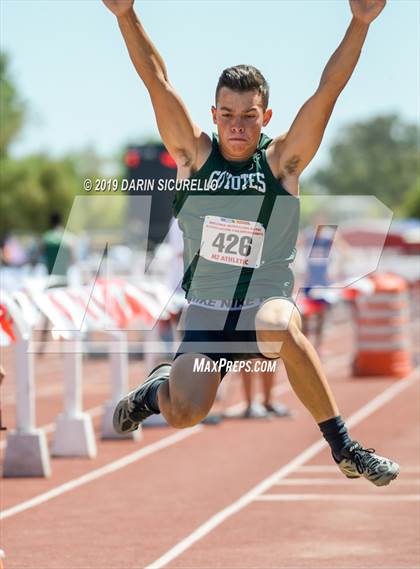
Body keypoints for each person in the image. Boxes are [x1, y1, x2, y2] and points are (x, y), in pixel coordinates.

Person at [105, 0, 399, 486]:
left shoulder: (282, 162)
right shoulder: (193, 157)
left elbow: (329, 91)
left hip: (264, 304)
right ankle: (157, 392)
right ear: (214, 115)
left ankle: (344, 446)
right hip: (206, 313)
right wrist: (125, 16)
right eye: (227, 115)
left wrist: (359, 23)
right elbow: (157, 82)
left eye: (248, 115)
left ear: (266, 116)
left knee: (276, 323)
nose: (237, 126)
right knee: (187, 412)